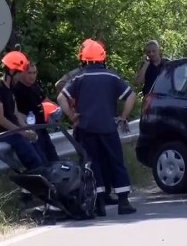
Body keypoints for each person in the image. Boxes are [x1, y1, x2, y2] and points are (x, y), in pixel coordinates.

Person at [57, 38, 137, 216]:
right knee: (116, 162)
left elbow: (61, 97)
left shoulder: (79, 77)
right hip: (108, 127)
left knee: (93, 165)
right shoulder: (112, 77)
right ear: (102, 58)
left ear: (84, 59)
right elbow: (131, 96)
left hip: (86, 129)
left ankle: (99, 203)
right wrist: (123, 117)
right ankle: (123, 202)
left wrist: (71, 115)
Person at [55, 64, 119, 206]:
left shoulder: (89, 73)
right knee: (90, 162)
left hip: (93, 123)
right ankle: (95, 196)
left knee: (102, 161)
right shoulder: (79, 73)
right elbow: (59, 85)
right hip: (84, 124)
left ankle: (104, 194)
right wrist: (72, 110)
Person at [0, 51, 44, 171]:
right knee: (35, 163)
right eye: (19, 73)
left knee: (42, 158)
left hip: (17, 132)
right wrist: (22, 133)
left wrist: (26, 129)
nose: (20, 77)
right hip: (5, 134)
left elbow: (16, 113)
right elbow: (0, 119)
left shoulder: (11, 89)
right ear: (11, 72)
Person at [12, 62, 59, 163]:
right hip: (30, 130)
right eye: (29, 73)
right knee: (42, 161)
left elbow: (45, 100)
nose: (32, 76)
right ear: (22, 73)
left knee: (53, 158)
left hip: (42, 127)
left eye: (34, 73)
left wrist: (56, 109)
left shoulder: (35, 87)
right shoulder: (16, 90)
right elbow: (14, 111)